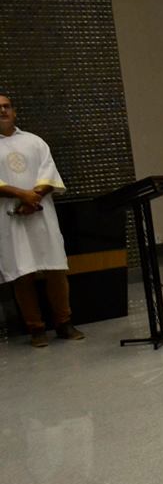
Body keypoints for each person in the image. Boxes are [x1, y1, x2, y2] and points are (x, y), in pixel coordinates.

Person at [0, 94, 84, 347]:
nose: (3, 111)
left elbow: (49, 174)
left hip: (41, 214)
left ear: (14, 111)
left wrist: (33, 198)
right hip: (10, 218)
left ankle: (64, 322)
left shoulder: (35, 141)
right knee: (22, 273)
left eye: (6, 106)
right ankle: (36, 328)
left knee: (55, 268)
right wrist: (22, 196)